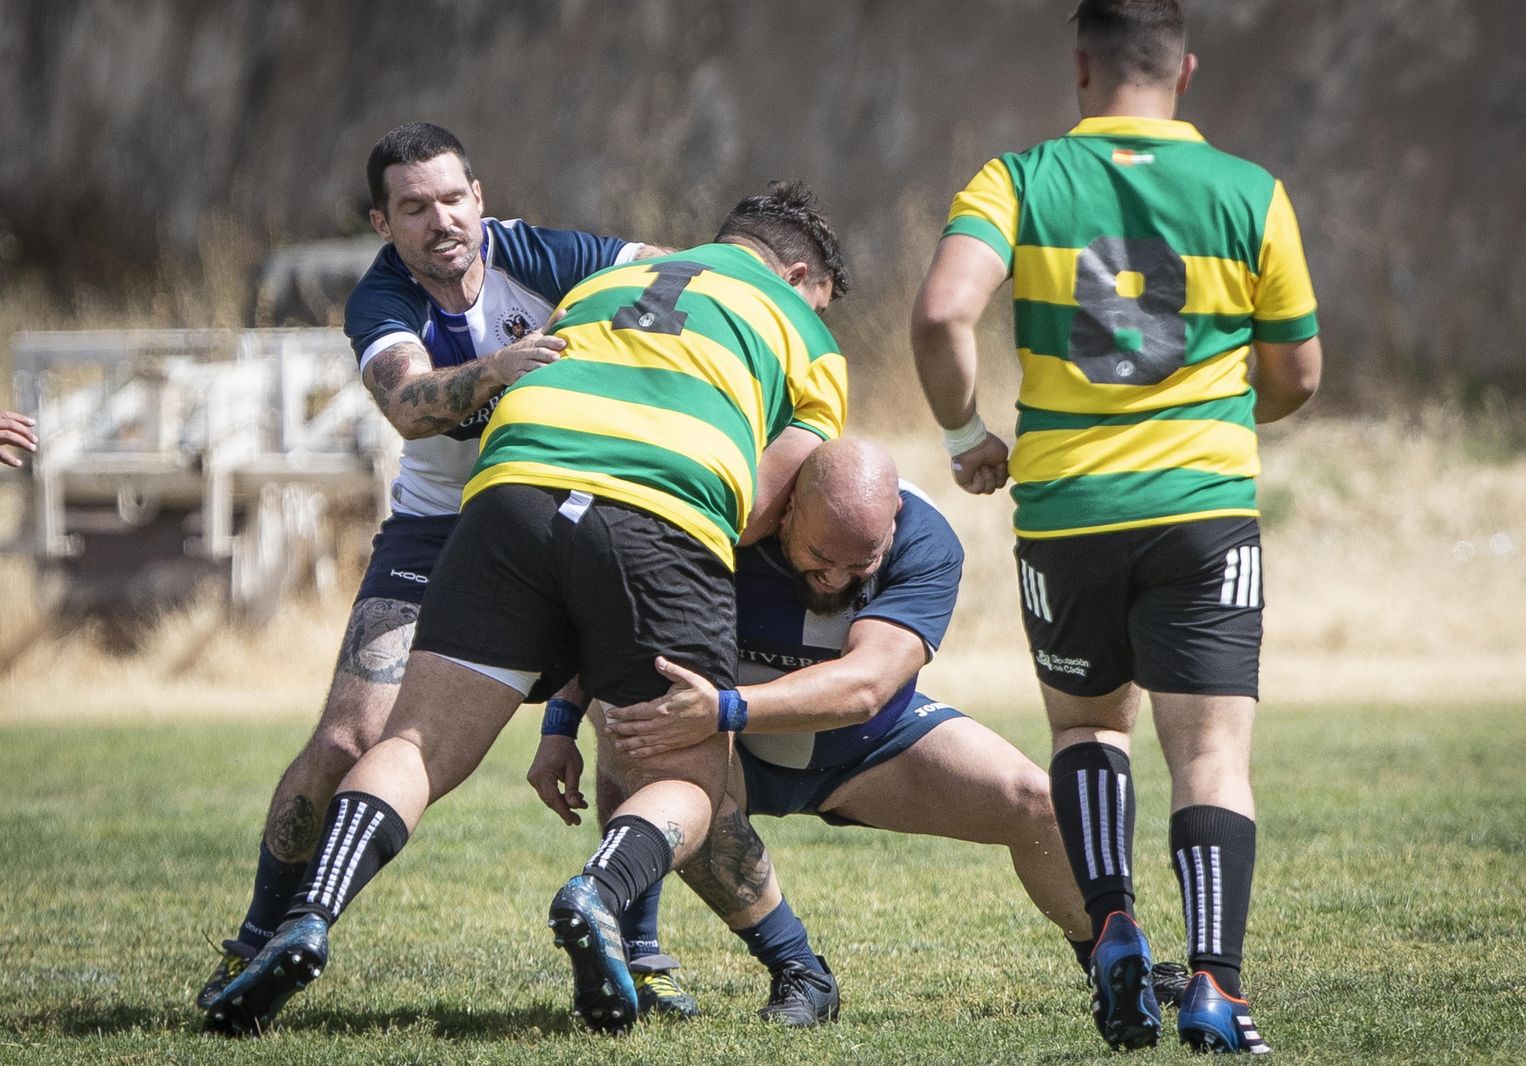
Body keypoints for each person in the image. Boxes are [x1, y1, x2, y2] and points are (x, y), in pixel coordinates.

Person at [202, 180, 851, 1038]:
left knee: (416, 745)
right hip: (660, 509)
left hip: (510, 490)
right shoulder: (804, 331)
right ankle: (600, 892)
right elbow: (771, 500)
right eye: (823, 300)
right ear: (799, 273)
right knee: (687, 776)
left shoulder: (600, 288)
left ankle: (307, 917)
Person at [909, 0, 1322, 1054]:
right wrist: (1230, 412)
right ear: (1183, 71)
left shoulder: (1016, 179)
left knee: (1088, 730)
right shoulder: (1249, 193)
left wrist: (965, 434)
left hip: (1066, 512)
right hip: (1201, 512)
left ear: (1080, 67)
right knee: (1211, 756)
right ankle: (1217, 987)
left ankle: (1115, 934)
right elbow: (1297, 376)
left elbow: (940, 312)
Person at [196, 121, 667, 1010]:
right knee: (347, 739)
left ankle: (638, 958)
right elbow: (412, 406)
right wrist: (504, 368)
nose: (440, 220)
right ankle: (257, 940)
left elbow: (673, 267)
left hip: (558, 516)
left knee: (632, 727)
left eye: (453, 198)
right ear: (384, 224)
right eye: (414, 207)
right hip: (436, 535)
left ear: (479, 197)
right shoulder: (381, 302)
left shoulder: (541, 252)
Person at [530, 438, 1100, 1028]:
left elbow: (865, 688)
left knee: (1040, 802)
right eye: (820, 556)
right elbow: (610, 623)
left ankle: (1110, 958)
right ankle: (768, 969)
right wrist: (561, 721)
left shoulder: (926, 539)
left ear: (893, 524)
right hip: (726, 751)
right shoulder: (721, 513)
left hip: (865, 744)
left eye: (862, 565)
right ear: (788, 508)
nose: (834, 579)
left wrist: (725, 707)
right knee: (639, 728)